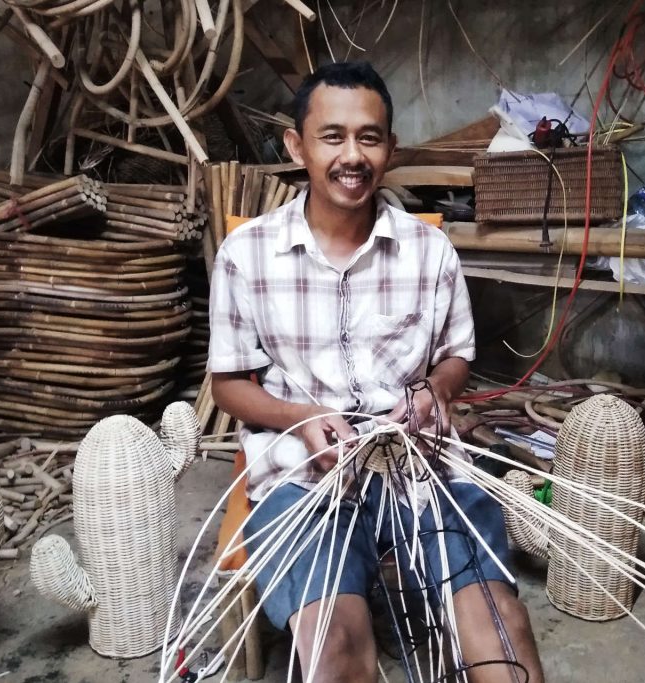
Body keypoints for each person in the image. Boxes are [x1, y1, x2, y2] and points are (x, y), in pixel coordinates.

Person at [208, 61, 543, 683]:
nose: (351, 155)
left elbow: (457, 356)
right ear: (296, 146)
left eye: (369, 137)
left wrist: (432, 392)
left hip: (422, 470)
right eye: (331, 136)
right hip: (307, 484)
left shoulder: (428, 248)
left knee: (503, 630)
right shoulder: (246, 254)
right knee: (336, 647)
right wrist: (303, 418)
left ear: (389, 148)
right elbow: (229, 384)